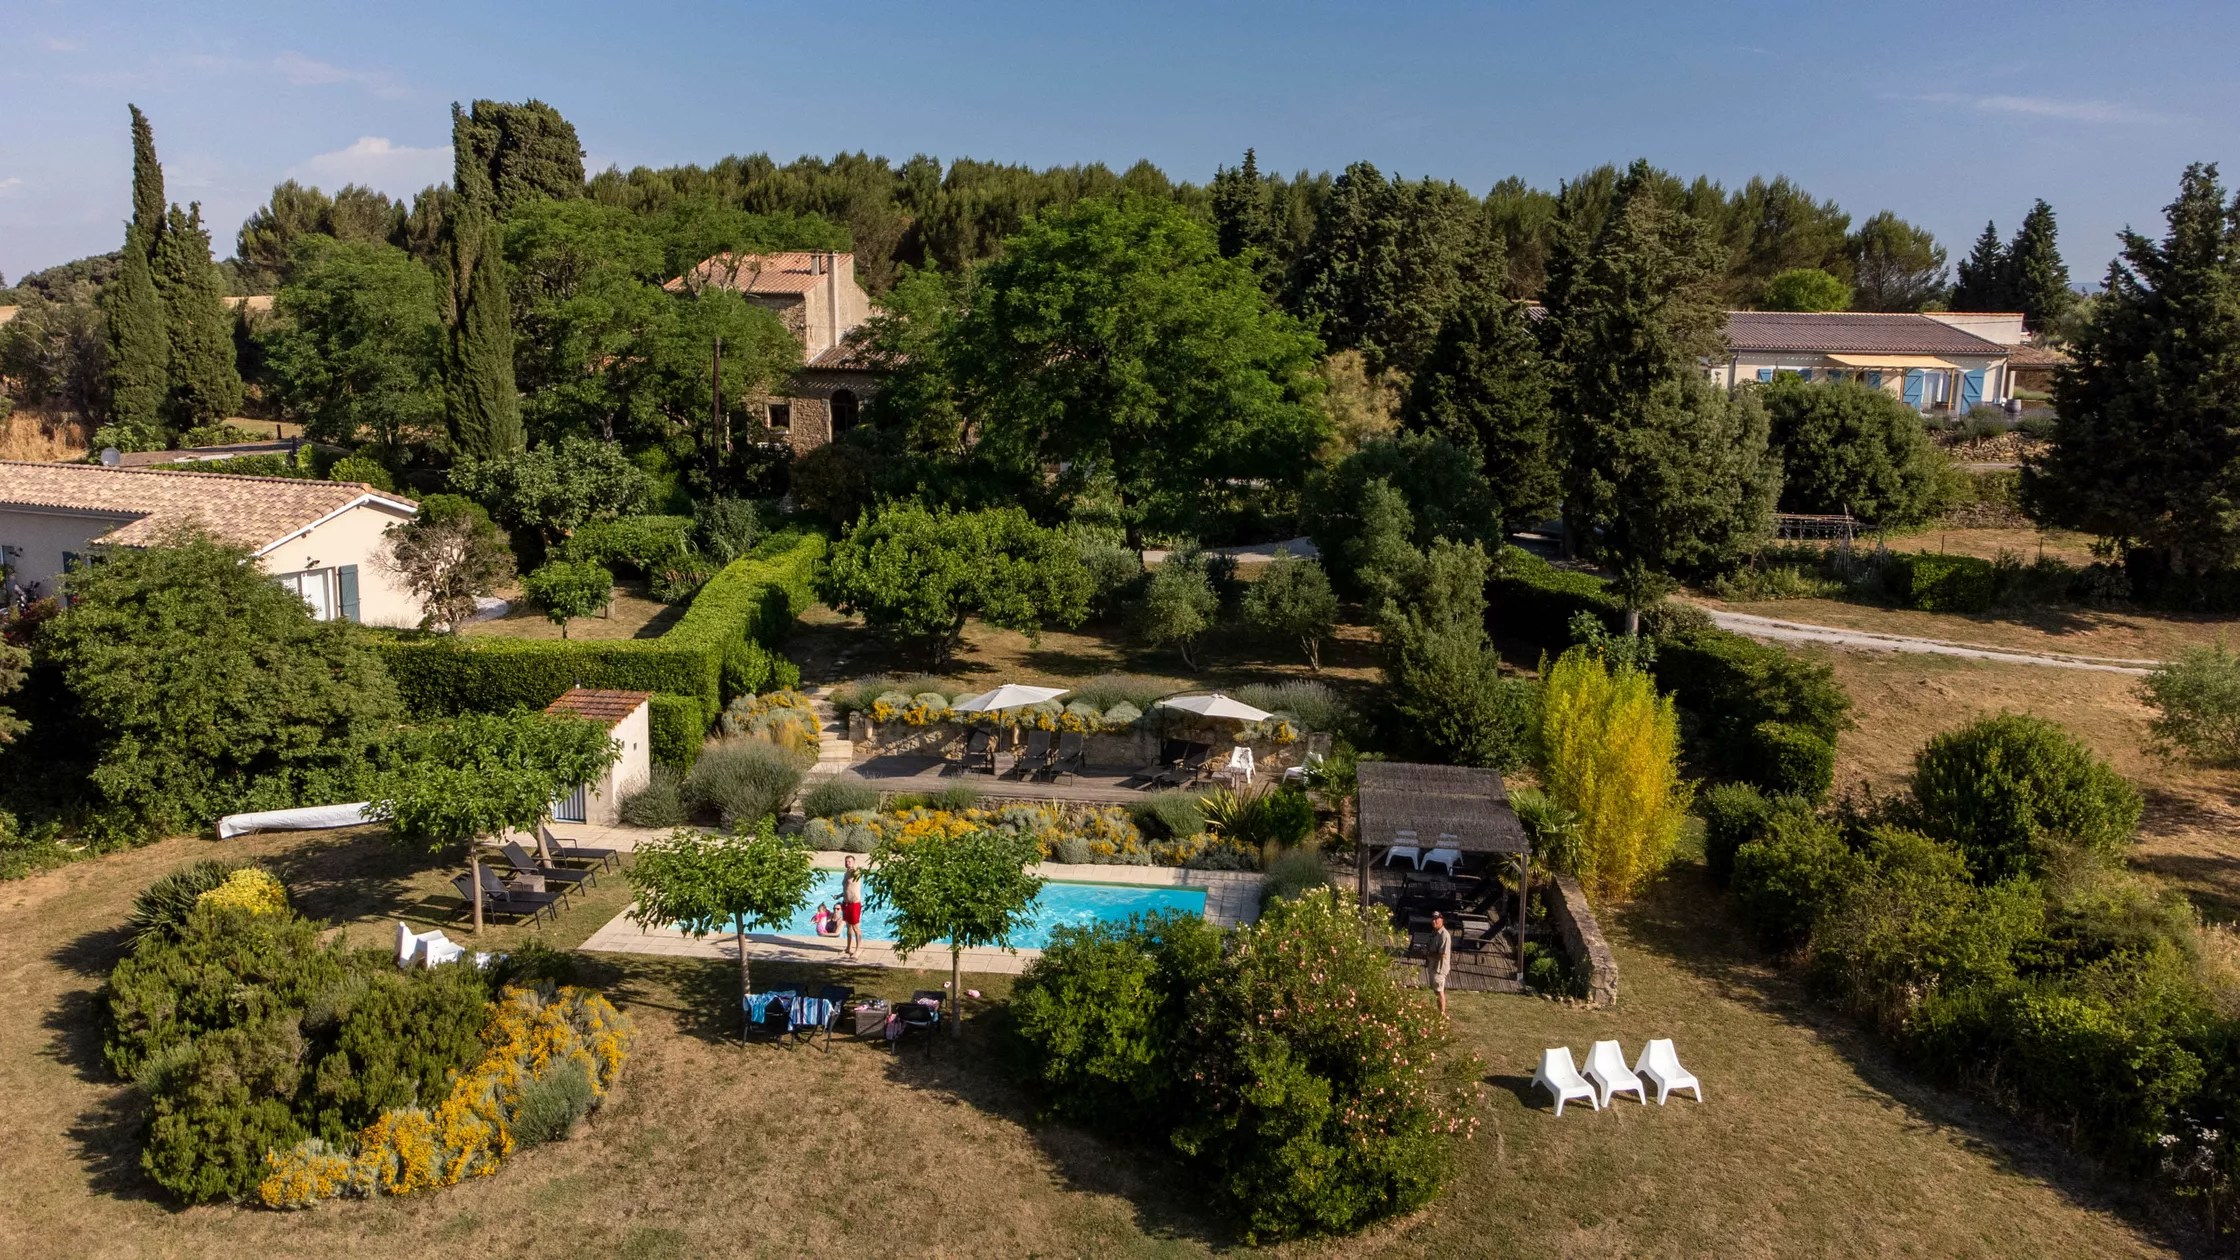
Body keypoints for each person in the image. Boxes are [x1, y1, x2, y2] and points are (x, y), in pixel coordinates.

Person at [1427, 911, 1452, 1017]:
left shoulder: (1444, 935)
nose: (1434, 921)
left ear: (1442, 920)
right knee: (1436, 991)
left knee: (1439, 991)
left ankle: (1442, 1014)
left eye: (1436, 919)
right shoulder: (1434, 932)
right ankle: (1440, 1012)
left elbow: (1442, 955)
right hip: (1433, 965)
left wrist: (1428, 954)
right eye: (1432, 919)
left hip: (1439, 968)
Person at [841, 855, 865, 960]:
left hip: (854, 904)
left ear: (854, 862)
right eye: (846, 861)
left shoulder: (856, 873)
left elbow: (857, 872)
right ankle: (848, 948)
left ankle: (858, 949)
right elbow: (847, 888)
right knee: (848, 927)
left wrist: (855, 868)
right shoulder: (846, 873)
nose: (847, 863)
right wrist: (839, 895)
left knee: (856, 927)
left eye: (850, 861)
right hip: (845, 903)